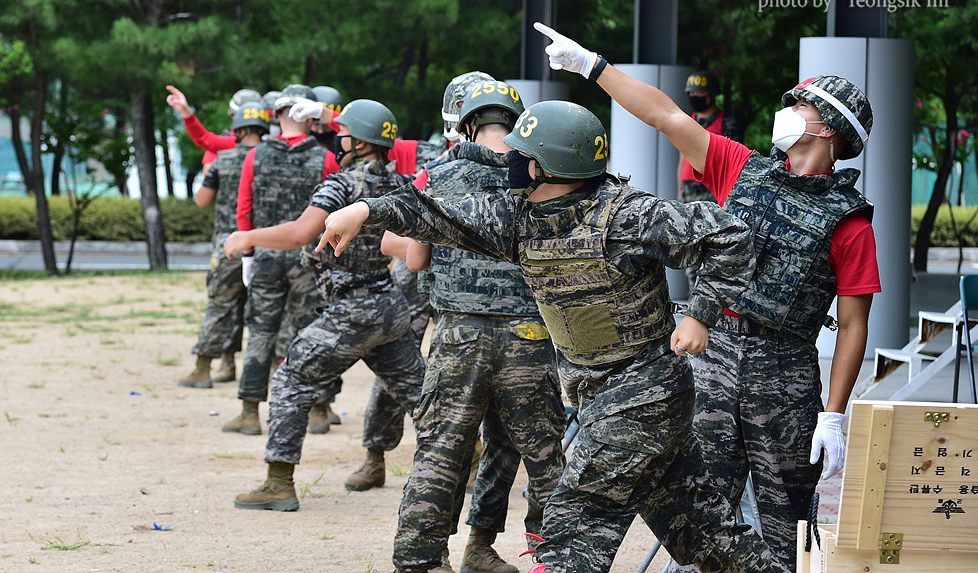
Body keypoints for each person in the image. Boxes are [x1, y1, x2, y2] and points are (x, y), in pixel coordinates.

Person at [316, 100, 788, 573]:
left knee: (569, 532)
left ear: (544, 165)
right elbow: (434, 213)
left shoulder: (627, 215)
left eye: (521, 153)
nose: (510, 159)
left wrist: (701, 315)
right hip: (608, 397)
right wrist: (364, 209)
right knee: (705, 534)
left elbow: (728, 236)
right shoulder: (517, 217)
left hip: (644, 397)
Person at [533, 21, 880, 570]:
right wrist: (592, 66)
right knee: (706, 515)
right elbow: (665, 115)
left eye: (802, 108)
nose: (787, 113)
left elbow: (854, 325)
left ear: (830, 130)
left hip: (785, 372)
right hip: (710, 354)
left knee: (784, 520)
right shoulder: (742, 169)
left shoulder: (849, 224)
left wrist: (833, 416)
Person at [389, 80, 567, 573]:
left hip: (456, 337)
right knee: (545, 456)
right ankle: (556, 559)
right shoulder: (542, 177)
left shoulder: (435, 174)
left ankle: (421, 561)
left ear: (466, 124)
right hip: (530, 338)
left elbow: (418, 260)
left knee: (442, 449)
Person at [223, 99, 426, 512]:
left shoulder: (342, 185)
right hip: (389, 306)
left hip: (352, 311)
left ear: (360, 139)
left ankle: (278, 483)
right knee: (423, 398)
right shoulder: (400, 184)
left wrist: (249, 237)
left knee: (290, 379)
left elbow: (301, 233)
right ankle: (469, 461)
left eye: (344, 132)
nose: (338, 138)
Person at [224, 84, 328, 436]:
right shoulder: (325, 158)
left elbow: (244, 210)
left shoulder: (255, 156)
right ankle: (317, 410)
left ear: (277, 114)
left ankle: (250, 412)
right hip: (310, 259)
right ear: (310, 115)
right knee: (311, 335)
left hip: (266, 256)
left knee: (261, 333)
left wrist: (248, 257)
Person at [177, 100, 270, 389]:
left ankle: (204, 368)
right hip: (268, 242)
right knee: (266, 309)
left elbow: (202, 201)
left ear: (237, 130)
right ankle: (267, 373)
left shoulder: (223, 160)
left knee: (221, 305)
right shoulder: (272, 160)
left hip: (229, 244)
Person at [678, 71, 742, 204]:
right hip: (688, 191)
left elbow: (734, 163)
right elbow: (682, 160)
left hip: (713, 190)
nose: (694, 96)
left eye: (699, 93)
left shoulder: (727, 123)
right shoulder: (686, 121)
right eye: (691, 94)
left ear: (711, 95)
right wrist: (679, 194)